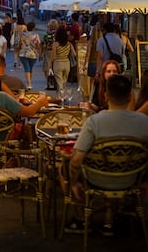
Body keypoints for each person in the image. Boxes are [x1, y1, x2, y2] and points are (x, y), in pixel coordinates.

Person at [69, 75, 148, 236]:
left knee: (67, 169)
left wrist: (74, 181)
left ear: (106, 95)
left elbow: (77, 159)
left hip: (97, 179)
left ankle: (81, 218)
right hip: (131, 180)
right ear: (130, 95)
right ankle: (119, 216)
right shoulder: (143, 122)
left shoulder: (94, 122)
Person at [16, 21, 41, 90]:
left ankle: (29, 83)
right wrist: (40, 54)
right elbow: (38, 45)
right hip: (33, 54)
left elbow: (19, 44)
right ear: (33, 28)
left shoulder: (22, 35)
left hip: (23, 53)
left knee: (27, 68)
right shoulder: (36, 35)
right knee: (30, 69)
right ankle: (29, 83)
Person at [50, 26, 75, 92]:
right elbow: (74, 54)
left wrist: (50, 64)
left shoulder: (55, 44)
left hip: (58, 63)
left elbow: (53, 55)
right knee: (64, 81)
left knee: (59, 81)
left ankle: (61, 96)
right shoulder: (69, 44)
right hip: (67, 63)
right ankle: (63, 94)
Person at [84, 19, 103, 93]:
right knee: (99, 83)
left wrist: (85, 64)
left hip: (91, 63)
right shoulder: (102, 42)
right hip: (99, 64)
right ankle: (98, 95)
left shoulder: (90, 42)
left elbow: (87, 54)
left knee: (91, 83)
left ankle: (91, 96)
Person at [41, 19, 58, 84]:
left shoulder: (48, 35)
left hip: (49, 51)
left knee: (47, 67)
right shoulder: (59, 34)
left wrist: (41, 53)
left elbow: (43, 44)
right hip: (58, 51)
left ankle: (49, 81)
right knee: (55, 66)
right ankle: (55, 81)